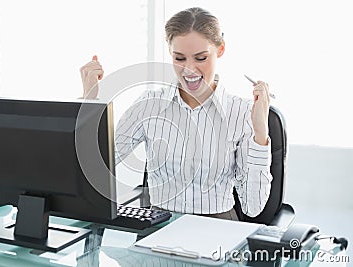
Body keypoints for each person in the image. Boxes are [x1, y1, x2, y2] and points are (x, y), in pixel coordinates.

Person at [80, 7, 272, 220]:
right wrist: (90, 103)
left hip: (218, 227)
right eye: (179, 58)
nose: (189, 69)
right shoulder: (149, 104)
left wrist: (260, 134)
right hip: (158, 227)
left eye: (200, 58)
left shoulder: (242, 112)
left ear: (220, 49)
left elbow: (253, 208)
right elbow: (94, 166)